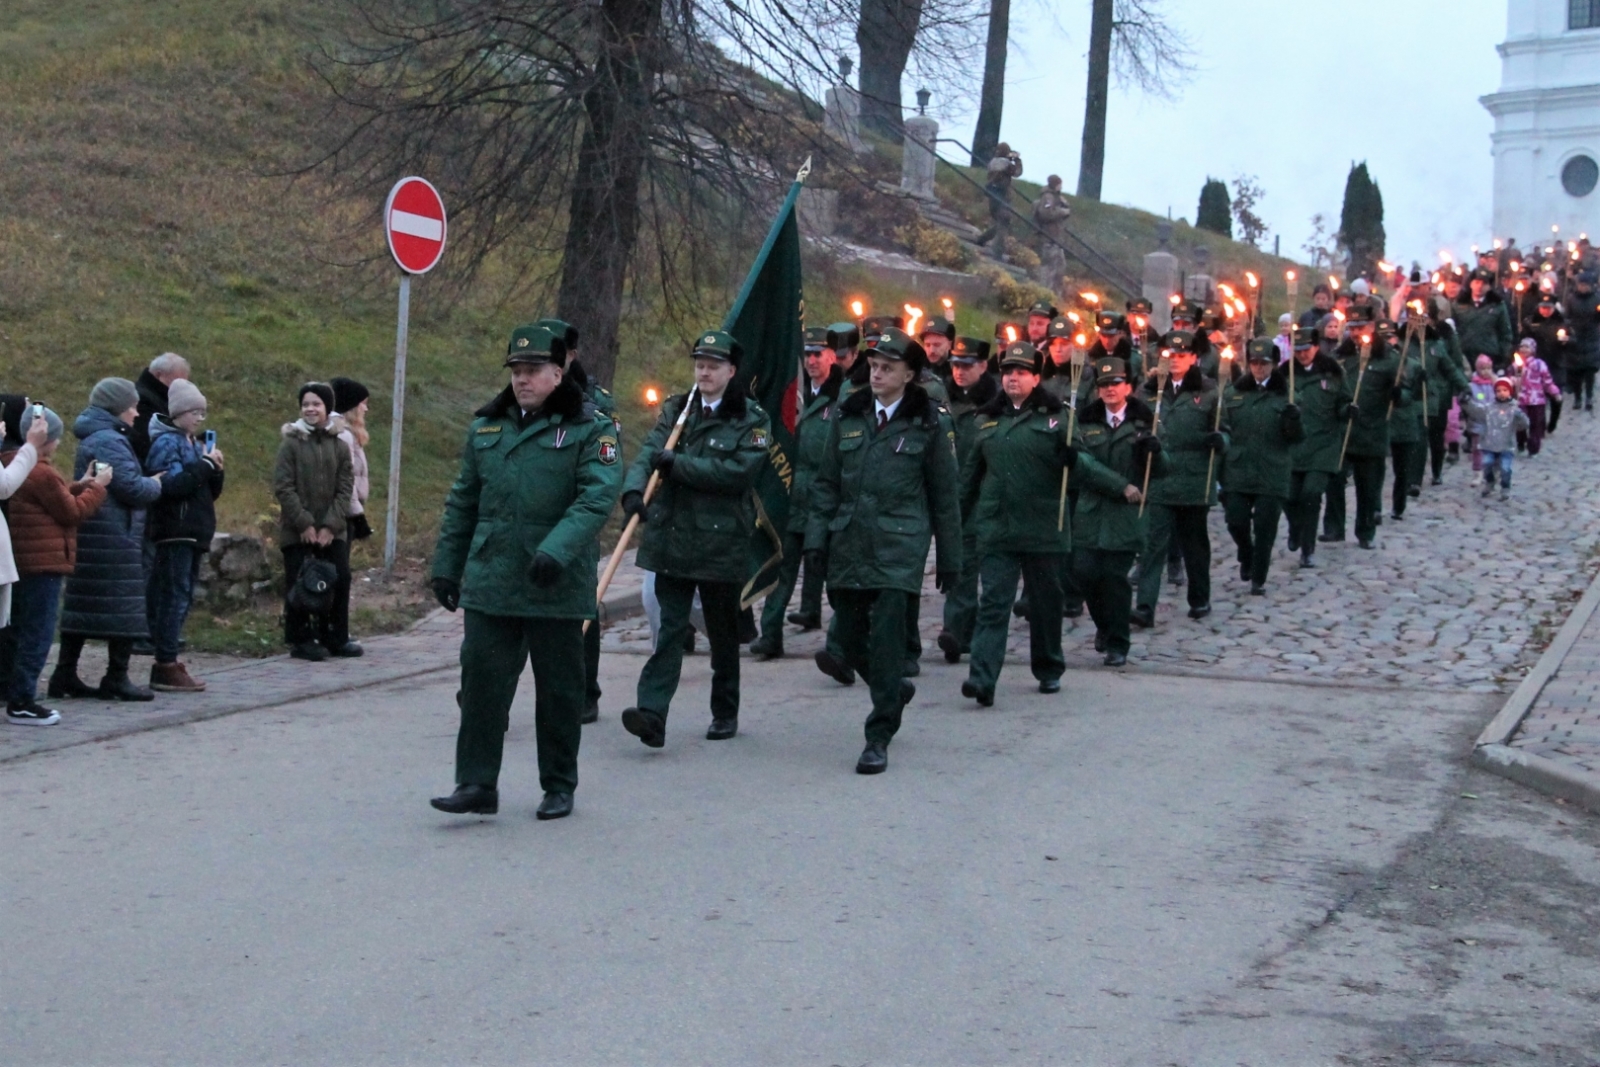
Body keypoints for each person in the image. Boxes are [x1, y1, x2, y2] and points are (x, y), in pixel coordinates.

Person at [427, 324, 620, 820]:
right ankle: (476, 782)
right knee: (482, 681)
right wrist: (447, 567)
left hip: (555, 578)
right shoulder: (487, 428)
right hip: (493, 576)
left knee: (559, 689)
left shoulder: (590, 428)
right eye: (516, 371)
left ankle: (558, 783)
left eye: (533, 370)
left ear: (559, 372)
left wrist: (556, 550)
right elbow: (463, 502)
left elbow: (596, 496)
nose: (522, 380)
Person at [805, 327, 960, 774]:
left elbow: (943, 497)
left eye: (887, 368)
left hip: (900, 545)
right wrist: (817, 539)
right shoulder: (847, 415)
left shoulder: (929, 421)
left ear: (909, 374)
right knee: (848, 638)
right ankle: (891, 691)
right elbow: (826, 484)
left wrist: (950, 559)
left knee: (890, 639)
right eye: (873, 366)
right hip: (850, 540)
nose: (876, 374)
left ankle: (878, 735)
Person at [619, 330, 770, 749]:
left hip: (720, 541)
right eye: (699, 364)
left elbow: (738, 472)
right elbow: (652, 450)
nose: (703, 372)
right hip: (671, 536)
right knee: (669, 629)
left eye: (713, 365)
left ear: (731, 371)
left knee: (722, 633)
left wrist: (679, 465)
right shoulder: (677, 409)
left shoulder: (751, 419)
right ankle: (652, 712)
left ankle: (724, 711)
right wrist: (633, 491)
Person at [960, 342, 1113, 706]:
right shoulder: (987, 419)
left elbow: (1083, 471)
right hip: (998, 527)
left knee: (1046, 603)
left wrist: (1074, 461)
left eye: (1021, 372)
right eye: (1008, 372)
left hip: (1045, 526)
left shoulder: (1058, 418)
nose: (1013, 378)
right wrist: (955, 520)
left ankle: (1048, 667)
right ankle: (982, 678)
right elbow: (970, 478)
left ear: (1035, 377)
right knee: (994, 603)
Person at [52, 378, 165, 701]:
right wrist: (156, 484)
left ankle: (65, 673)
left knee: (85, 605)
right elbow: (128, 486)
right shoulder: (108, 441)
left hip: (100, 533)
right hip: (113, 535)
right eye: (131, 405)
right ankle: (116, 676)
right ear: (117, 407)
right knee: (123, 606)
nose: (136, 412)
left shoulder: (102, 436)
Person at [4, 407, 109, 724]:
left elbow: (55, 498)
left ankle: (12, 691)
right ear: (46, 439)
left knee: (17, 631)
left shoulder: (15, 466)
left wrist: (79, 484)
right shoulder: (43, 472)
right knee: (38, 633)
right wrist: (98, 487)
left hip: (20, 562)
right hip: (44, 563)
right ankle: (23, 699)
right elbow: (71, 513)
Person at [538, 319, 616, 724]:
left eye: (555, 354)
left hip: (574, 523)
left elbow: (603, 469)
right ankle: (487, 693)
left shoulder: (595, 404)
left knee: (579, 608)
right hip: (529, 519)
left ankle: (586, 691)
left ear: (570, 357)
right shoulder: (524, 400)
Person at [751, 327, 842, 658]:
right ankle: (770, 635)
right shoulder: (794, 395)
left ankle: (841, 645)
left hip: (825, 500)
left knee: (832, 575)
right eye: (808, 355)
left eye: (819, 354)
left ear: (833, 356)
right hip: (792, 497)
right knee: (781, 572)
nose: (812, 361)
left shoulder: (843, 397)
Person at [1071, 356, 1162, 667]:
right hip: (1092, 510)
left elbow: (1163, 469)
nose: (1109, 389)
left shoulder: (1146, 421)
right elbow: (1083, 464)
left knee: (1114, 577)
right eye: (1103, 384)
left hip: (1127, 514)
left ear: (1128, 387)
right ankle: (1104, 626)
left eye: (1115, 383)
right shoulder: (1084, 422)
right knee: (1084, 573)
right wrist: (1120, 485)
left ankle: (1118, 643)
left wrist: (1155, 452)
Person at [1134, 331, 1223, 624]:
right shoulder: (1149, 391)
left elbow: (1225, 429)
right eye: (1170, 355)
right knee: (1151, 545)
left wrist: (1220, 440)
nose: (1175, 360)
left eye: (1182, 355)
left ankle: (1199, 598)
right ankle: (1145, 605)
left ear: (1194, 358)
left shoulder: (1208, 391)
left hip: (1193, 478)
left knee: (1194, 545)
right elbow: (1135, 424)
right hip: (1158, 478)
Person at [143, 380, 225, 692]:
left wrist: (215, 469)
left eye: (202, 413)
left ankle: (169, 658)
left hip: (193, 530)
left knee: (184, 595)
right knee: (173, 596)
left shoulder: (193, 443)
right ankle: (164, 661)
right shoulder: (168, 443)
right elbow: (172, 486)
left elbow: (206, 492)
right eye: (194, 412)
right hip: (175, 530)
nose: (199, 419)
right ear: (178, 413)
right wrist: (204, 465)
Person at [273, 382, 358, 662]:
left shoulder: (339, 444)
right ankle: (301, 639)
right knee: (300, 581)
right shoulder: (291, 444)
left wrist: (330, 526)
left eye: (316, 404)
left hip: (333, 529)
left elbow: (346, 487)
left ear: (327, 408)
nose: (310, 409)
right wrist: (305, 524)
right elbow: (284, 487)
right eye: (306, 404)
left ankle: (335, 635)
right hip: (297, 529)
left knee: (339, 577)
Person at [1223, 340, 1305, 595]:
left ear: (1275, 364)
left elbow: (1298, 438)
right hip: (1239, 468)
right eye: (1254, 363)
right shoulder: (1235, 393)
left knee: (1265, 525)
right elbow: (1224, 425)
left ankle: (1259, 575)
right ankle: (1246, 554)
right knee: (1235, 519)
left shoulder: (1288, 395)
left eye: (1264, 363)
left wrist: (1293, 420)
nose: (1259, 368)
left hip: (1272, 468)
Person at [935, 337, 999, 663]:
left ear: (983, 366)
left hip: (984, 496)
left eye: (967, 365)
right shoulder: (941, 398)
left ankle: (965, 632)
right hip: (949, 494)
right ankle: (955, 632)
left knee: (976, 567)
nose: (959, 371)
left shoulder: (996, 403)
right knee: (958, 565)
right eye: (956, 364)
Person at [1283, 327, 1348, 570]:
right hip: (1294, 446)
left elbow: (1343, 401)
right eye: (1297, 350)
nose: (1302, 355)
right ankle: (1295, 528)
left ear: (1316, 346)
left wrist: (1347, 411)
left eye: (1306, 349)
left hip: (1324, 445)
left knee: (1311, 495)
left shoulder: (1332, 372)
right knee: (1288, 495)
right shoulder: (1285, 374)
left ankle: (1307, 549)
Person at [1470, 377, 1528, 501]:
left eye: (1505, 390)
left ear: (1510, 392)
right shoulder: (1489, 407)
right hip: (1490, 444)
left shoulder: (1514, 408)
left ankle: (1505, 487)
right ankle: (1490, 482)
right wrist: (1466, 402)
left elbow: (1524, 425)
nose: (1502, 393)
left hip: (1507, 445)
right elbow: (1476, 412)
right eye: (1499, 390)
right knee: (1487, 463)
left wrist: (1520, 417)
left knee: (1505, 468)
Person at [329, 378, 373, 542]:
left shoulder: (350, 436)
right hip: (343, 513)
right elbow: (347, 478)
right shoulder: (344, 437)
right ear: (352, 406)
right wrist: (358, 516)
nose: (366, 409)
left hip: (345, 511)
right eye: (363, 403)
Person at [129, 352, 191, 464]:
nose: (180, 388)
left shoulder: (157, 397)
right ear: (159, 375)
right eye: (176, 382)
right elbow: (144, 442)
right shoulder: (143, 401)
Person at [1453, 269, 1515, 371]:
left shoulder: (1498, 305)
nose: (1480, 286)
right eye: (1477, 282)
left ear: (1489, 286)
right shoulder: (1458, 305)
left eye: (1484, 283)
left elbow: (1505, 333)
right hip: (1465, 357)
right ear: (1471, 283)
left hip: (1489, 358)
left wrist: (1503, 359)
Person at [975, 143, 1023, 262]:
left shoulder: (993, 162)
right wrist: (1017, 159)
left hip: (994, 197)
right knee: (1003, 224)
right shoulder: (1005, 164)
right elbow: (1017, 172)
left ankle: (982, 239)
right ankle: (997, 253)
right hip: (1003, 198)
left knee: (1001, 223)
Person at [1514, 338, 1561, 456]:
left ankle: (1533, 447)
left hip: (1537, 400)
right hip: (1521, 400)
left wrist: (1554, 393)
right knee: (1520, 422)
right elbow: (1510, 380)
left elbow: (1547, 381)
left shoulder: (1540, 364)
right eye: (1522, 346)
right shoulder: (1516, 364)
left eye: (1527, 347)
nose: (1524, 349)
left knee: (1536, 425)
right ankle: (1521, 442)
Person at [1565, 272, 1600, 412]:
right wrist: (1568, 328)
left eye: (1585, 285)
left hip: (1591, 337)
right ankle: (1578, 397)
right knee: (1576, 371)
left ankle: (1589, 397)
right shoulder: (1571, 299)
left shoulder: (1597, 298)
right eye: (1581, 285)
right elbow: (1567, 316)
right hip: (1576, 337)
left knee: (1590, 370)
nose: (1583, 287)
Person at [1032, 174, 1070, 283]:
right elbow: (1046, 214)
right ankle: (1045, 292)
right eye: (1059, 184)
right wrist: (1062, 212)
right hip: (1049, 237)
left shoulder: (1057, 197)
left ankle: (1055, 294)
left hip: (1056, 238)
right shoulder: (1048, 197)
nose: (1061, 187)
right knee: (1049, 268)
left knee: (1060, 268)